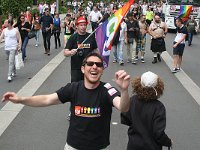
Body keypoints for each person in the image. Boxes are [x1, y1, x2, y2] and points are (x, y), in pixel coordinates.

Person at [2, 52, 131, 150]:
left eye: (98, 65)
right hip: (73, 146)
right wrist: (20, 100)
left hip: (99, 147)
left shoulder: (107, 89)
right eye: (90, 64)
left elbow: (123, 107)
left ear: (102, 70)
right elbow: (47, 99)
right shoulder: (73, 88)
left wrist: (124, 90)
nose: (94, 67)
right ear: (82, 69)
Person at [121, 71, 172, 150]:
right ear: (158, 87)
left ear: (138, 84)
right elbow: (158, 133)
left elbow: (125, 119)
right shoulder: (158, 107)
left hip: (133, 145)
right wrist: (168, 142)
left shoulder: (132, 100)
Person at [63, 16, 98, 82]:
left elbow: (95, 50)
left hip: (89, 67)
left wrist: (99, 59)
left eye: (84, 25)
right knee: (75, 87)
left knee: (89, 86)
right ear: (77, 26)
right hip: (76, 68)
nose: (83, 27)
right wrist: (70, 52)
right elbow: (65, 52)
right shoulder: (73, 37)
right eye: (81, 25)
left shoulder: (90, 36)